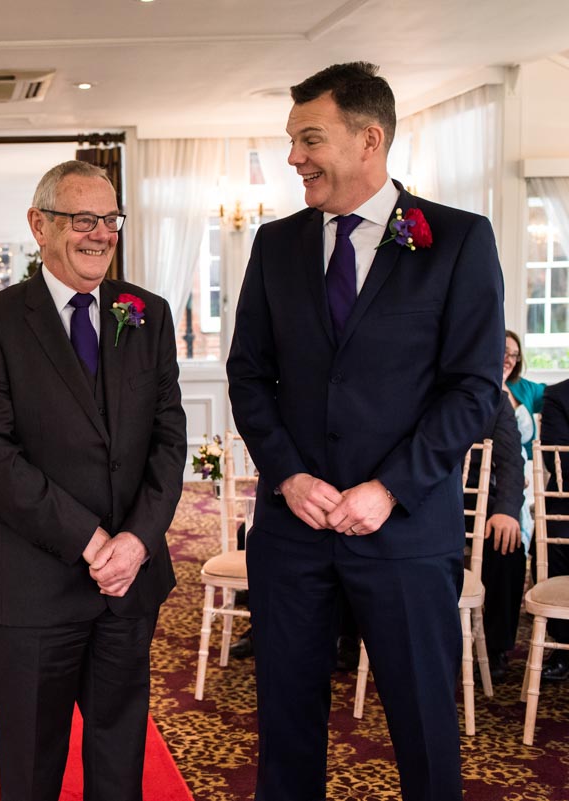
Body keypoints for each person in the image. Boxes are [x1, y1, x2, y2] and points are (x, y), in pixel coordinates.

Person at [227, 62, 504, 801]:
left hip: (408, 533)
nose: (293, 157)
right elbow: (248, 376)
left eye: (309, 139)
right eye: (292, 140)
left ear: (369, 140)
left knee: (422, 727)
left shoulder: (456, 240)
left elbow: (474, 388)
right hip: (293, 531)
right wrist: (286, 474)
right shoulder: (275, 245)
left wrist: (390, 487)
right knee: (285, 729)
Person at [0, 159, 186, 801]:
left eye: (108, 219)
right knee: (32, 765)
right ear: (39, 225)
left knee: (119, 758)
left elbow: (170, 442)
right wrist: (93, 545)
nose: (99, 234)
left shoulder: (149, 313)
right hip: (33, 585)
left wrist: (136, 543)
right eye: (81, 219)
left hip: (129, 582)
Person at [469, 382, 525, 683]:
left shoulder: (495, 400)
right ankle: (350, 636)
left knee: (508, 545)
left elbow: (512, 461)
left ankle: (495, 647)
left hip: (475, 499)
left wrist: (505, 509)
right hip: (418, 497)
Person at [534, 376, 569, 681]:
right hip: (566, 500)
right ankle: (562, 645)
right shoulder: (558, 396)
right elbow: (558, 459)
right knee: (553, 537)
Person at [504, 330, 544, 449]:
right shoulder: (478, 388)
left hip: (528, 465)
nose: (509, 360)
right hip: (485, 464)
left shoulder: (525, 387)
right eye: (504, 352)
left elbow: (555, 395)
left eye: (514, 355)